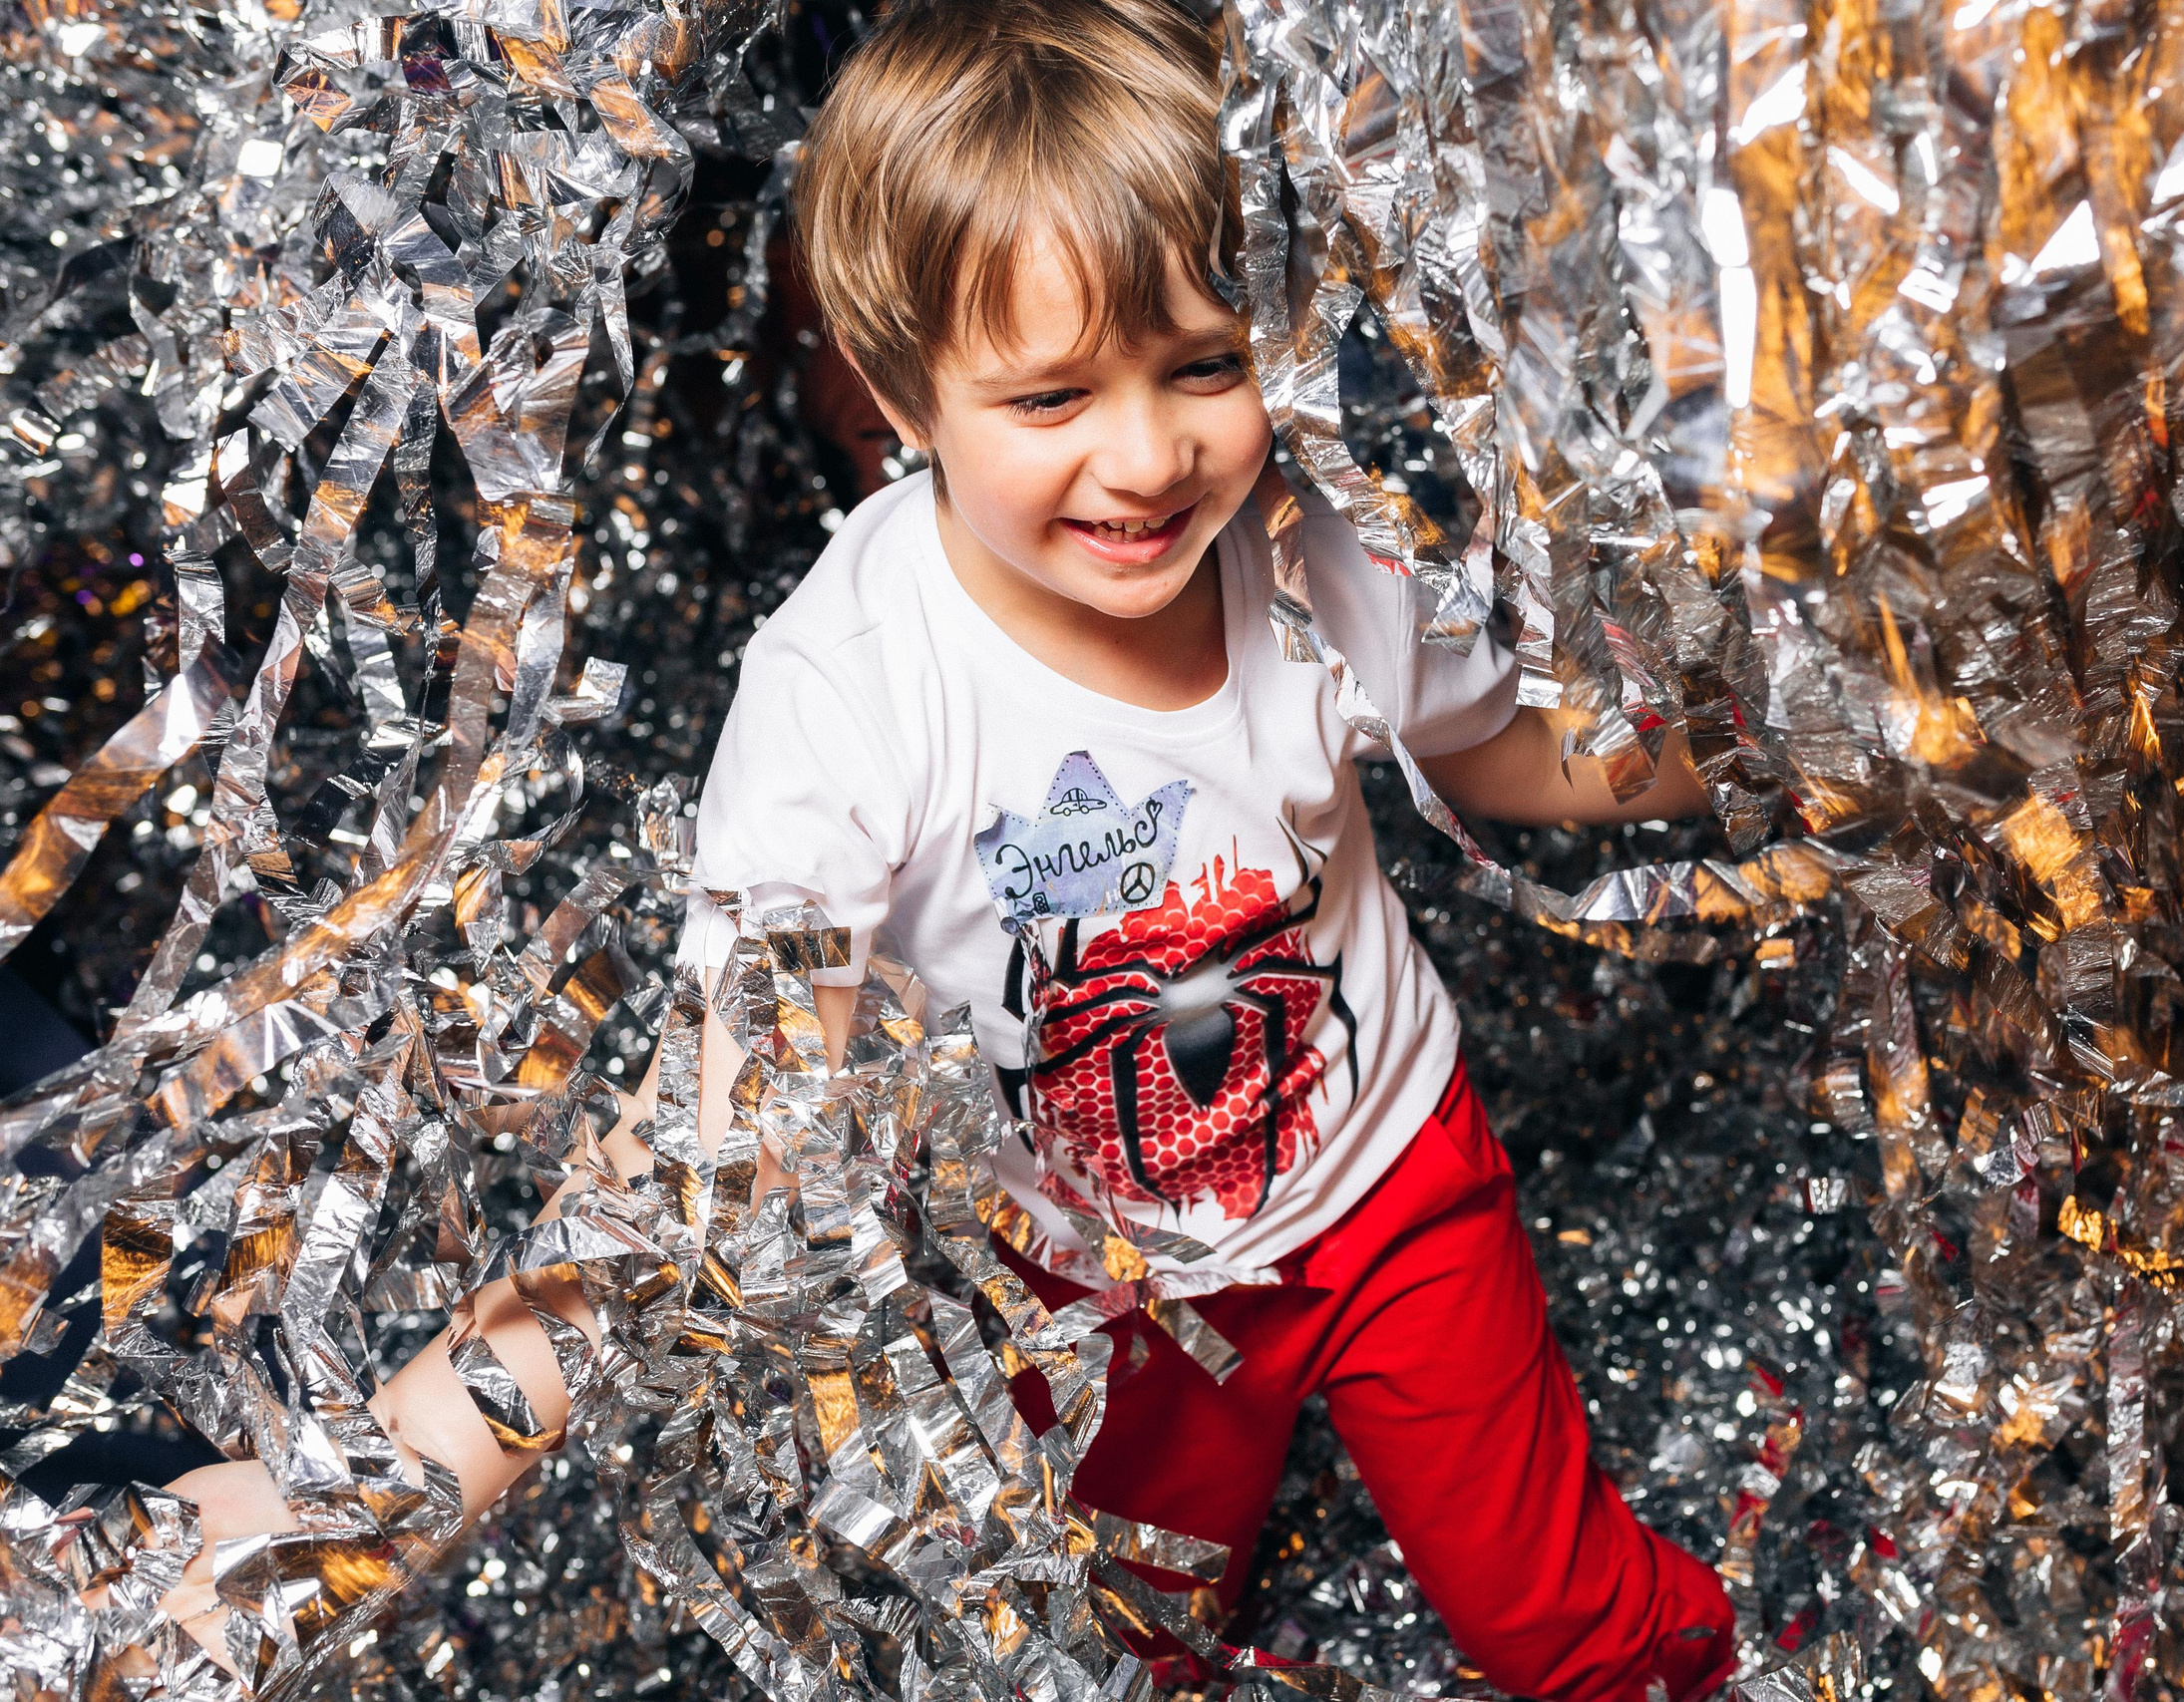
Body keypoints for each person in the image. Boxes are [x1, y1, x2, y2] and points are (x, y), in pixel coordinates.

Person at [156, 1, 1738, 1696]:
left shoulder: (1305, 544)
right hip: (1098, 1286)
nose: (1146, 458)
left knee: (1561, 1629)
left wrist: (1768, 730)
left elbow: (1500, 751)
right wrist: (368, 1491)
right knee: (1125, 1640)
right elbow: (718, 1138)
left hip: (1387, 1180)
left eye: (1206, 365)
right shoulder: (849, 690)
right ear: (903, 389)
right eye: (1051, 396)